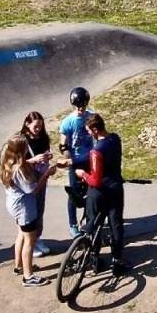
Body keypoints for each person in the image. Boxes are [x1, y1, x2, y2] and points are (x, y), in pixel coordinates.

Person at [1, 133, 65, 287]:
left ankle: (19, 266)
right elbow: (33, 190)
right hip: (25, 208)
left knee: (21, 236)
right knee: (30, 241)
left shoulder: (9, 163)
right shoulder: (20, 170)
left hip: (13, 205)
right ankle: (28, 276)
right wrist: (46, 174)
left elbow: (24, 165)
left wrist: (36, 162)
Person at [79, 113, 128, 275]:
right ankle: (117, 260)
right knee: (116, 224)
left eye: (88, 130)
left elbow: (95, 181)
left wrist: (82, 174)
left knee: (93, 225)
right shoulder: (115, 139)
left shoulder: (96, 151)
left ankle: (95, 258)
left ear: (94, 129)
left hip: (98, 193)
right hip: (115, 189)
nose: (88, 133)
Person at [59, 87, 96, 239]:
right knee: (74, 194)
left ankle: (89, 222)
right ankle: (73, 224)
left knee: (91, 193)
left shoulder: (92, 116)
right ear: (73, 105)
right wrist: (67, 156)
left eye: (83, 105)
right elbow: (62, 144)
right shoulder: (68, 122)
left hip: (90, 161)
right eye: (77, 106)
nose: (80, 109)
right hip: (75, 162)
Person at [19, 111, 54, 256]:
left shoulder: (44, 138)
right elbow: (16, 163)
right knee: (30, 210)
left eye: (40, 126)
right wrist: (32, 160)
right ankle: (29, 242)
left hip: (41, 174)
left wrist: (47, 156)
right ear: (27, 124)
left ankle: (37, 237)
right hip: (28, 176)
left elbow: (46, 151)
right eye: (36, 126)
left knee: (40, 207)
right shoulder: (22, 141)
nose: (38, 129)